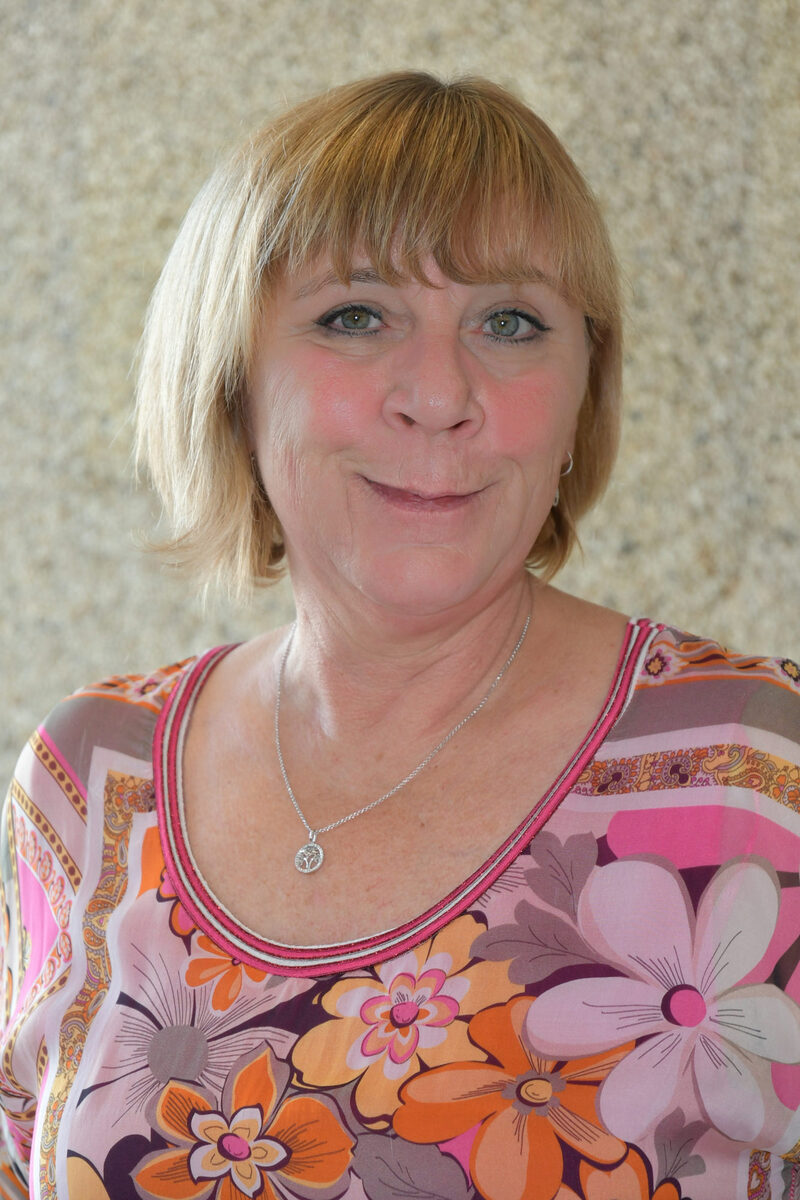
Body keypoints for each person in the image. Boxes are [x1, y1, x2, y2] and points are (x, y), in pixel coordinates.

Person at [1, 71, 798, 1200]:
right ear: (230, 381)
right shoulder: (89, 778)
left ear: (582, 395)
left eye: (509, 322)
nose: (437, 393)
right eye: (356, 316)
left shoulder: (761, 767)